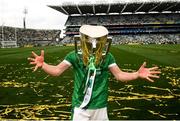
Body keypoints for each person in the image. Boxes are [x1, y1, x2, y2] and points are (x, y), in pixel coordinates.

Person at [28, 25, 161, 121]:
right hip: (80, 107)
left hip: (100, 107)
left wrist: (136, 74)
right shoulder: (73, 56)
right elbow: (57, 71)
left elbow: (119, 75)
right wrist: (43, 65)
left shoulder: (107, 57)